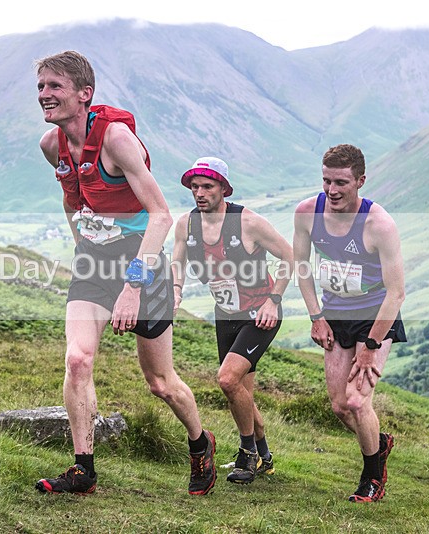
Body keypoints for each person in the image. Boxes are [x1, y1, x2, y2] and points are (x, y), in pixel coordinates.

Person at [34, 50, 216, 496]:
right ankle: (83, 470)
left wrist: (133, 286)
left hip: (142, 261)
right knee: (78, 360)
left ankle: (200, 443)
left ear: (85, 94)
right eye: (41, 87)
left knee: (160, 383)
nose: (44, 95)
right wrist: (82, 246)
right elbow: (71, 198)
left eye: (55, 86)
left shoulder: (116, 139)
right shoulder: (51, 145)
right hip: (95, 263)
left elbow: (161, 215)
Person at [292, 143, 406, 502]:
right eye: (326, 181)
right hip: (335, 315)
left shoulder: (379, 225)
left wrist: (371, 346)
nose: (332, 190)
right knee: (341, 406)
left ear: (360, 181)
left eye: (341, 182)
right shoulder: (307, 212)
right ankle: (379, 443)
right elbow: (302, 268)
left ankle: (372, 478)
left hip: (375, 317)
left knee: (357, 402)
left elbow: (396, 293)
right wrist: (316, 317)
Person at [171, 157, 293, 484]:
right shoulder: (186, 225)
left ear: (224, 188)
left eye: (207, 186)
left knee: (227, 379)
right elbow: (177, 263)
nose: (199, 193)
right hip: (225, 313)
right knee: (239, 392)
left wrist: (274, 300)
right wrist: (176, 291)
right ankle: (264, 456)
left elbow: (289, 255)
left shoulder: (248, 222)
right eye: (194, 187)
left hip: (260, 315)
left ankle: (247, 454)